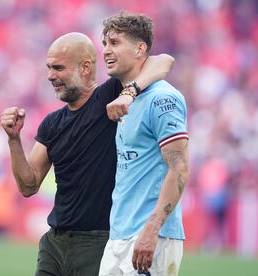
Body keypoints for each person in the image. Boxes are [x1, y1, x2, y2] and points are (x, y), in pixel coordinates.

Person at [1, 31, 174, 276]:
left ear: (85, 68)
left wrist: (129, 92)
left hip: (98, 241)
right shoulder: (52, 123)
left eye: (58, 68)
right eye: (49, 68)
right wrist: (14, 139)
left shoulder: (109, 96)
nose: (50, 76)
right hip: (54, 242)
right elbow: (28, 185)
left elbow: (163, 61)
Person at [99, 13, 189, 276]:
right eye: (104, 43)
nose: (106, 51)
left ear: (140, 49)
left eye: (114, 43)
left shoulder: (163, 99)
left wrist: (152, 229)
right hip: (119, 235)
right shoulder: (125, 97)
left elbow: (180, 169)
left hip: (149, 236)